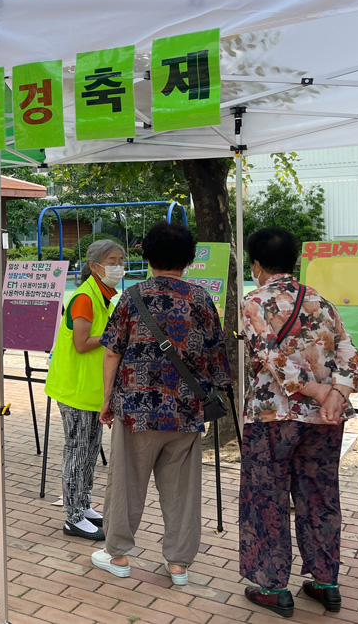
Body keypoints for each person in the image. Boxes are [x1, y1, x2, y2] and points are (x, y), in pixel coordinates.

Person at [92, 222, 230, 586]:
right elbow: (218, 362)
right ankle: (179, 564)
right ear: (189, 258)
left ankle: (118, 554)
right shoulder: (201, 299)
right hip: (185, 413)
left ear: (147, 256)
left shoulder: (131, 296)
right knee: (182, 490)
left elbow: (111, 353)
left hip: (135, 410)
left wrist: (107, 399)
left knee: (125, 484)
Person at [239, 227, 358, 618]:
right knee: (321, 497)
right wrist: (338, 393)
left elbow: (272, 358)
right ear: (294, 260)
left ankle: (274, 587)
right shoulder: (321, 301)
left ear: (256, 265)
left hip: (271, 416)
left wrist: (317, 391)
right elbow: (349, 349)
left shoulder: (254, 302)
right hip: (325, 421)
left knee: (267, 498)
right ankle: (326, 583)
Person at [44, 239, 124, 542]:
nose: (118, 266)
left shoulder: (103, 296)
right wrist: (114, 335)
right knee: (77, 451)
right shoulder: (85, 298)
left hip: (90, 390)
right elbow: (81, 343)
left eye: (120, 260)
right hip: (74, 389)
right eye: (112, 261)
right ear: (94, 266)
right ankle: (73, 516)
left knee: (90, 451)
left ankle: (83, 504)